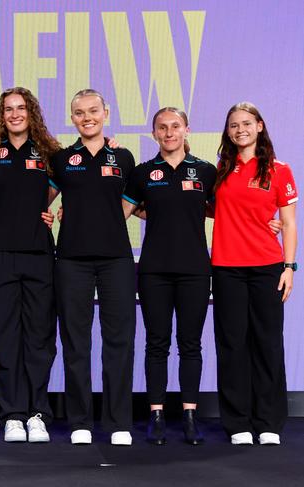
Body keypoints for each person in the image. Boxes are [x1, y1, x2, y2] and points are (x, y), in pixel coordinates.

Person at [122, 107, 216, 445]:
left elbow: (229, 212)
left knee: (191, 344)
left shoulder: (206, 172)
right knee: (156, 344)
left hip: (194, 269)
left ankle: (189, 415)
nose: (169, 132)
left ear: (187, 130)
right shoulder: (143, 172)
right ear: (154, 134)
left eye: (175, 126)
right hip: (154, 271)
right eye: (162, 128)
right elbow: (120, 213)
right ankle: (157, 415)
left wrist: (269, 223)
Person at [49, 89, 136, 446]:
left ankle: (118, 422)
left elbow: (130, 203)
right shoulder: (62, 158)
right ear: (72, 118)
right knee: (76, 342)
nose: (87, 117)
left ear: (106, 113)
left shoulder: (124, 156)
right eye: (80, 113)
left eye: (93, 111)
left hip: (116, 259)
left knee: (119, 341)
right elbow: (43, 198)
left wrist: (105, 221)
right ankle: (80, 421)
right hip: (71, 259)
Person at [211, 102, 297, 446]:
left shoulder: (278, 169)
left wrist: (289, 267)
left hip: (267, 267)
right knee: (232, 345)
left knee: (267, 344)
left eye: (247, 123)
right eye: (233, 125)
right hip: (227, 267)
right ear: (228, 132)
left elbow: (288, 222)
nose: (240, 130)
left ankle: (269, 422)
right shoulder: (221, 169)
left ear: (260, 126)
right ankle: (238, 424)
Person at [0, 87, 60, 442]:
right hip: (0, 254)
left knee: (40, 337)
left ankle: (37, 412)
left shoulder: (49, 151)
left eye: (21, 108)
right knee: (4, 334)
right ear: (2, 114)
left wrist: (49, 212)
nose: (15, 114)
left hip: (39, 253)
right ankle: (12, 413)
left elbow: (75, 180)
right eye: (8, 109)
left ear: (32, 112)